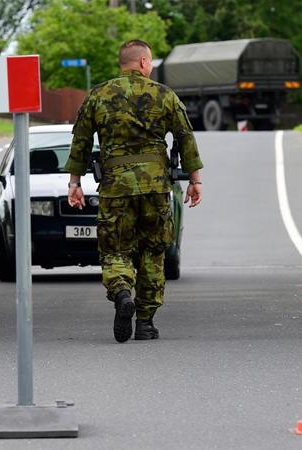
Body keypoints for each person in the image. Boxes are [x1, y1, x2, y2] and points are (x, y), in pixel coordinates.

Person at [65, 39, 203, 343]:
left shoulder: (98, 96)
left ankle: (123, 292)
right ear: (143, 62)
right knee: (153, 252)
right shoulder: (164, 95)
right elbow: (185, 137)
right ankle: (145, 322)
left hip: (116, 186)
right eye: (150, 61)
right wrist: (194, 180)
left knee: (115, 249)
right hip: (155, 187)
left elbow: (80, 142)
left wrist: (74, 183)